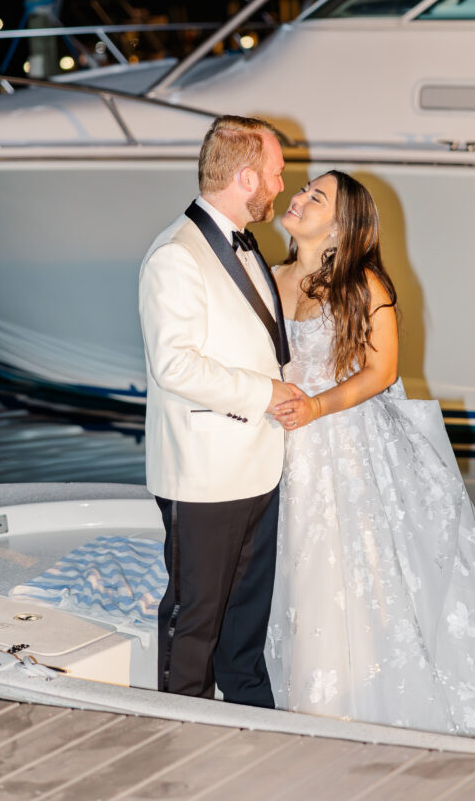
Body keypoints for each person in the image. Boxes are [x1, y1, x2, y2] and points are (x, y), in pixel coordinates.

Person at [265, 170, 475, 741]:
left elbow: (381, 370)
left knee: (350, 572)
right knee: (292, 575)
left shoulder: (363, 284)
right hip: (281, 450)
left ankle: (352, 708)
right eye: (305, 189)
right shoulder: (268, 277)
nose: (300, 196)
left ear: (342, 228)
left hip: (346, 446)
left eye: (318, 197)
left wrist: (316, 407)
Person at [139, 114, 302, 707]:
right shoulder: (174, 256)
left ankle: (254, 722)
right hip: (203, 473)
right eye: (277, 174)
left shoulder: (248, 246)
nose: (282, 186)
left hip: (258, 466)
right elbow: (173, 367)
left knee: (243, 625)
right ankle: (175, 732)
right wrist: (266, 395)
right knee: (195, 621)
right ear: (245, 177)